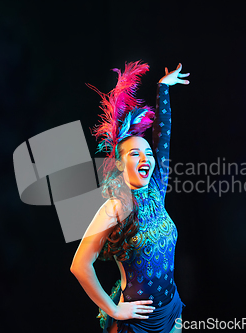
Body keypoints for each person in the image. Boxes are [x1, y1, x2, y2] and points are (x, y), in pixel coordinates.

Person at [70, 61, 190, 333]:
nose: (146, 158)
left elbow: (163, 140)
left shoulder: (157, 190)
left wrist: (163, 89)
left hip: (171, 312)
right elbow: (79, 265)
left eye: (148, 153)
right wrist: (113, 309)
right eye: (135, 154)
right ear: (121, 164)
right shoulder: (115, 208)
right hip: (138, 323)